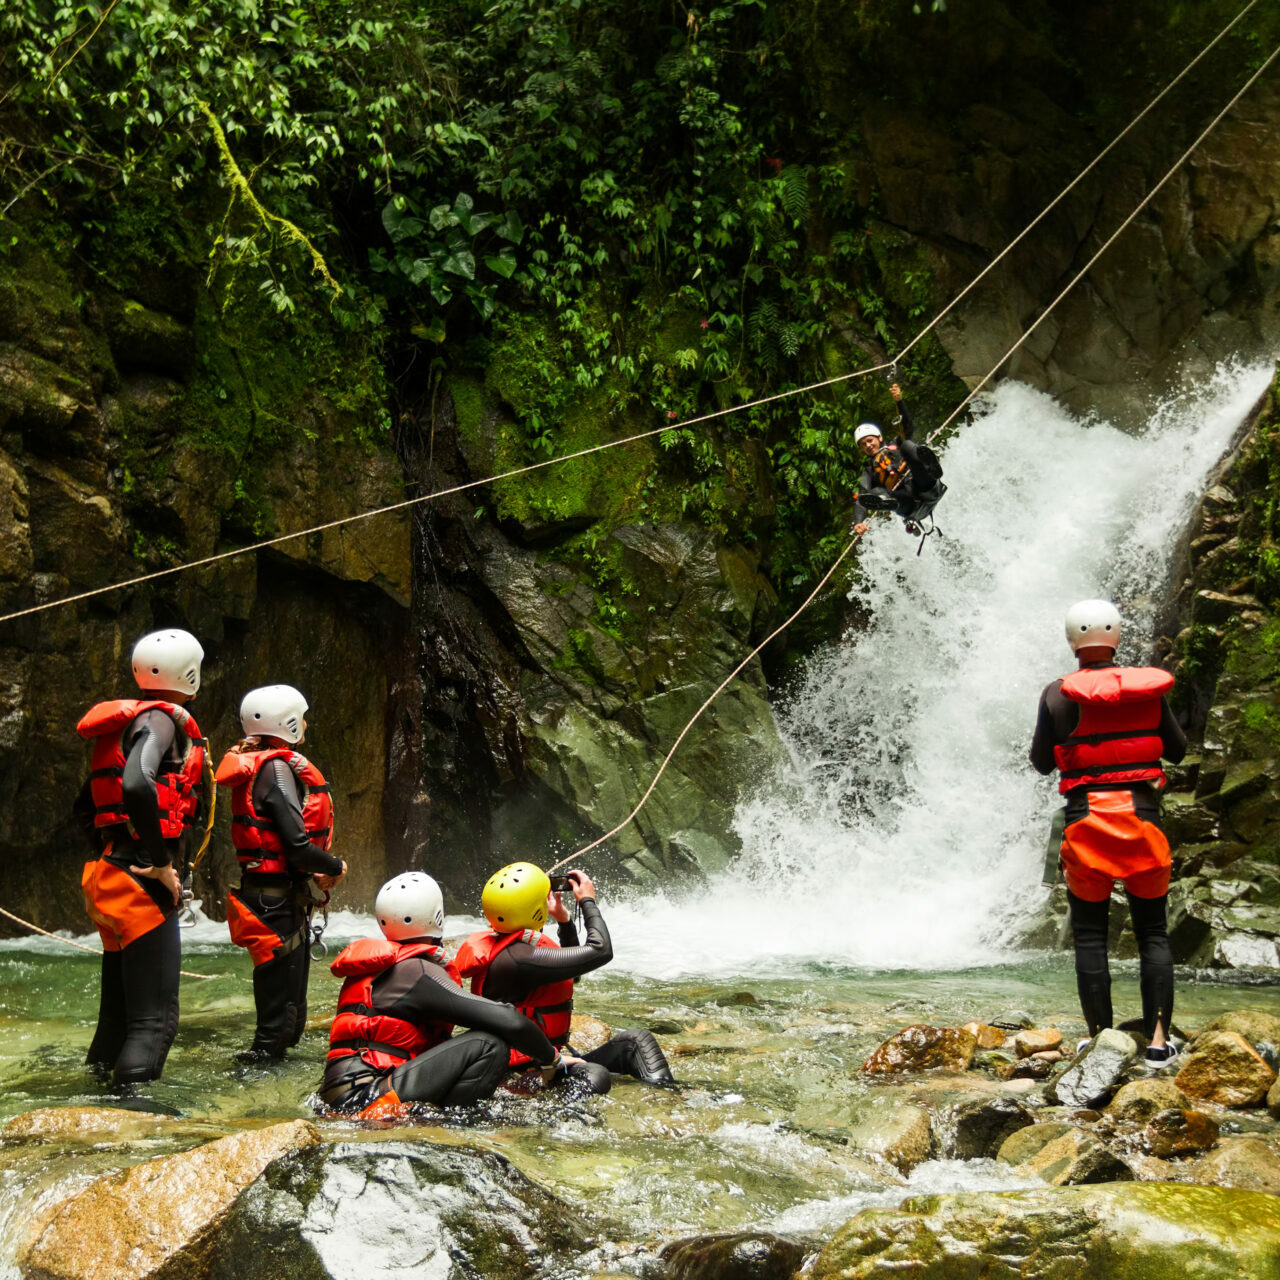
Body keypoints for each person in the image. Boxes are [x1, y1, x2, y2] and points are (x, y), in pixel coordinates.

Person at [1030, 599, 1187, 1069]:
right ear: (1116, 638)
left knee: (1092, 937)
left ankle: (1100, 1041)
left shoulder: (1057, 694)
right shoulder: (1148, 692)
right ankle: (1158, 1042)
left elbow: (1041, 761)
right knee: (1153, 933)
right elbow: (1177, 751)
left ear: (1072, 642)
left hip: (1086, 826)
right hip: (1141, 823)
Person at [319, 872, 570, 1117]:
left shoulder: (383, 968)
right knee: (488, 1044)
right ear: (437, 916)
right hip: (364, 1100)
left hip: (344, 1094)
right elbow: (508, 1020)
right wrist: (554, 1062)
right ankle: (451, 1125)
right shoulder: (417, 972)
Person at [74, 628, 208, 1085]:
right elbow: (135, 782)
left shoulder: (122, 726)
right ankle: (135, 1118)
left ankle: (93, 1099)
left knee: (116, 1018)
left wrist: (115, 854)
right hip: (140, 879)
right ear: (189, 673)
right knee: (155, 1023)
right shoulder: (161, 721)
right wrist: (160, 862)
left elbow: (84, 806)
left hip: (107, 873)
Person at [453, 862, 674, 1094]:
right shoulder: (519, 959)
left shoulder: (512, 949)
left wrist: (564, 920)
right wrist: (587, 901)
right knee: (594, 1075)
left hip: (546, 1059)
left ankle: (669, 1098)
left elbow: (573, 974)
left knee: (636, 1042)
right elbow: (601, 950)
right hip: (521, 1072)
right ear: (535, 908)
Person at [215, 685, 346, 1062]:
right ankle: (255, 1094)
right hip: (273, 904)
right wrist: (336, 867)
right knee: (277, 1025)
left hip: (274, 898)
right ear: (288, 723)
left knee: (288, 1019)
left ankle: (270, 1089)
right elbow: (298, 846)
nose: (305, 723)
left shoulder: (265, 766)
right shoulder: (276, 770)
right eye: (301, 717)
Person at [850, 383, 946, 538]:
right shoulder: (869, 470)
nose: (867, 446)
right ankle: (886, 501)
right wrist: (858, 522)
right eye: (863, 445)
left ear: (879, 438)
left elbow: (907, 427)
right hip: (910, 505)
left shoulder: (896, 445)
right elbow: (861, 499)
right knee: (874, 492)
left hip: (925, 488)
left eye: (869, 440)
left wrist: (899, 401)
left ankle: (930, 468)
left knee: (908, 445)